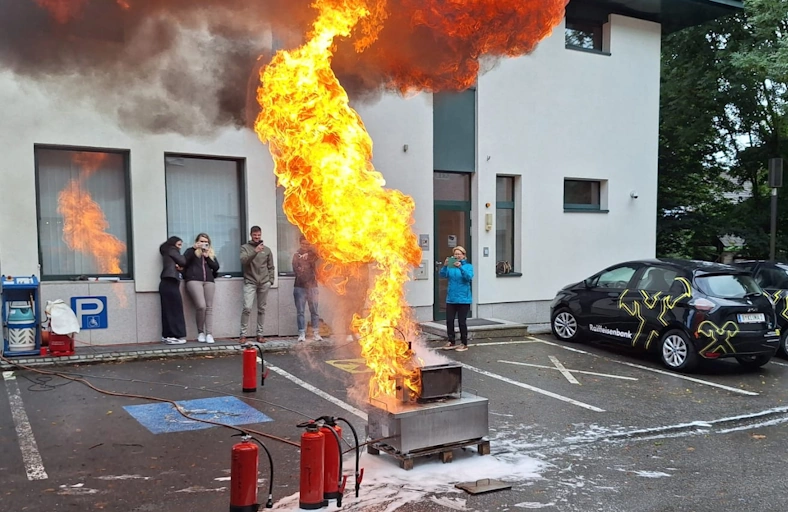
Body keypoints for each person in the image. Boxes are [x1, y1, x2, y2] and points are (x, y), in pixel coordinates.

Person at [240, 226, 275, 343]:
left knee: (262, 309)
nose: (257, 237)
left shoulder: (267, 250)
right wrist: (255, 252)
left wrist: (271, 281)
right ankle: (243, 334)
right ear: (251, 235)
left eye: (259, 235)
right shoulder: (245, 248)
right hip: (250, 282)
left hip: (264, 283)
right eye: (255, 235)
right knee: (247, 308)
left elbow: (271, 267)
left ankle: (260, 334)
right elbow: (244, 261)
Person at [183, 233, 220, 344]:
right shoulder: (192, 252)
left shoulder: (210, 253)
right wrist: (194, 249)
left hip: (209, 281)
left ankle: (209, 333)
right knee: (201, 306)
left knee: (209, 307)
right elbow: (184, 261)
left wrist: (207, 257)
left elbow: (216, 267)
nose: (204, 244)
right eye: (201, 241)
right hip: (194, 280)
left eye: (206, 242)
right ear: (197, 242)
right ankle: (200, 332)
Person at [439, 246, 474, 351]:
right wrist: (445, 266)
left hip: (464, 299)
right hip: (451, 298)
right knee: (449, 321)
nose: (457, 256)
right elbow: (442, 275)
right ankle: (451, 341)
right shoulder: (451, 267)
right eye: (455, 254)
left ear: (464, 255)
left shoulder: (468, 266)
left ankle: (464, 343)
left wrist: (461, 268)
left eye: (459, 254)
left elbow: (469, 277)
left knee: (461, 322)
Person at [292, 236, 323, 342]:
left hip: (313, 287)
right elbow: (296, 270)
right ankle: (301, 333)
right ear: (300, 244)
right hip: (300, 287)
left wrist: (308, 255)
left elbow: (318, 255)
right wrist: (301, 264)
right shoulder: (296, 256)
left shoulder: (312, 255)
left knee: (314, 311)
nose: (305, 246)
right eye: (303, 244)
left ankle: (316, 333)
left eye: (307, 244)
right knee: (300, 311)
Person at [159, 236, 187, 345]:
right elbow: (183, 261)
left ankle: (167, 335)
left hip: (166, 282)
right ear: (174, 244)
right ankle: (174, 335)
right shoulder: (172, 250)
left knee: (168, 311)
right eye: (179, 245)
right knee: (175, 310)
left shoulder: (167, 251)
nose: (180, 248)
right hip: (170, 282)